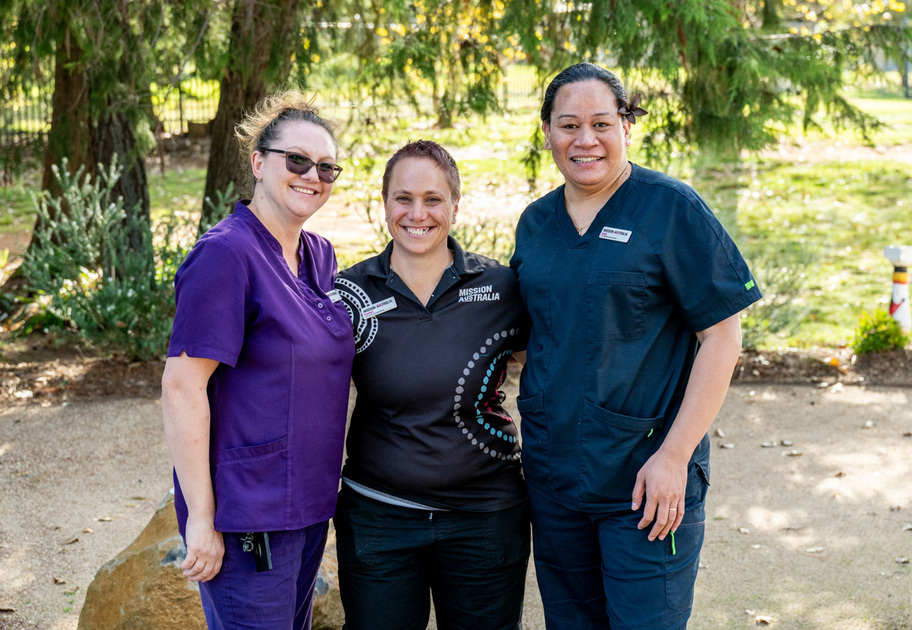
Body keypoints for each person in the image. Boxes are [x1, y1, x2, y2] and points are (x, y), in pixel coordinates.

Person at [510, 62, 763, 629]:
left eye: (601, 122)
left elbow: (722, 335)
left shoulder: (670, 209)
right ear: (547, 131)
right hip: (554, 480)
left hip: (646, 483)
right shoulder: (536, 223)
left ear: (627, 125)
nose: (585, 139)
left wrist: (674, 458)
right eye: (567, 124)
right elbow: (537, 338)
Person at [161, 91, 355, 630]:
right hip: (249, 515)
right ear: (258, 162)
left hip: (309, 507)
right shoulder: (226, 255)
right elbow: (181, 387)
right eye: (296, 161)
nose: (311, 175)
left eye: (326, 167)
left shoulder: (317, 254)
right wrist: (201, 518)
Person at [332, 140, 530, 630]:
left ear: (456, 207)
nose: (417, 213)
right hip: (380, 517)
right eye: (403, 198)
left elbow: (561, 365)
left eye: (433, 199)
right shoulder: (347, 295)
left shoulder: (503, 288)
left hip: (486, 516)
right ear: (384, 204)